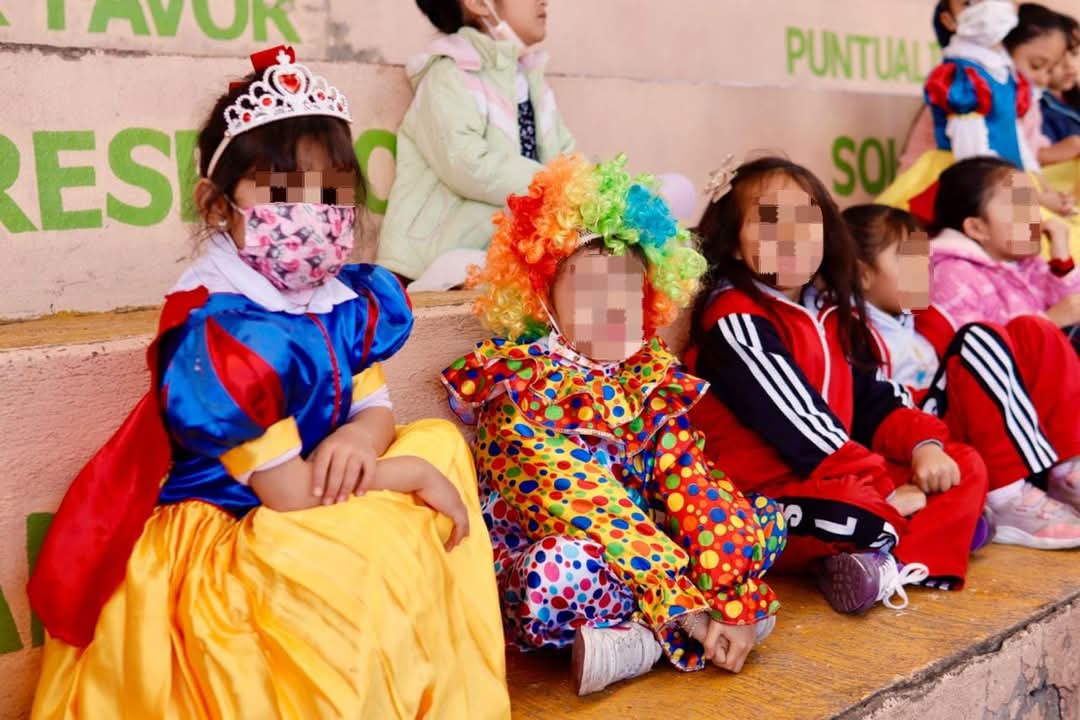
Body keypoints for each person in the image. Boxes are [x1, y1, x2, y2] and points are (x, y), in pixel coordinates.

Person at [27, 46, 511, 720]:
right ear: (218, 206)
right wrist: (405, 475)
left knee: (437, 443)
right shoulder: (221, 332)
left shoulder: (339, 298)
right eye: (283, 191)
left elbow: (375, 407)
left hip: (308, 487)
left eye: (332, 192)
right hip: (243, 520)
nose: (313, 211)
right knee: (379, 537)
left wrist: (359, 439)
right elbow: (286, 494)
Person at [442, 154, 786, 695]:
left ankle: (638, 642)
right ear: (544, 297)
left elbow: (689, 480)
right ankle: (667, 635)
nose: (613, 306)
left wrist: (732, 596)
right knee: (556, 573)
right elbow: (593, 509)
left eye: (627, 287)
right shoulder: (519, 389)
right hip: (582, 555)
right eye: (589, 289)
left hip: (651, 560)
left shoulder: (645, 375)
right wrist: (694, 612)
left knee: (755, 521)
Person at [685, 156, 991, 617]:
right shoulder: (734, 320)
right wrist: (884, 488)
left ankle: (891, 565)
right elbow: (802, 429)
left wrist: (923, 446)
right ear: (734, 245)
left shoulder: (830, 311)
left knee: (962, 461)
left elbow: (873, 399)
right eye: (770, 223)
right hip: (759, 500)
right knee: (854, 507)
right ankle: (925, 534)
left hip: (840, 472)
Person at [846, 203, 1080, 547]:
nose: (923, 271)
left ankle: (1066, 473)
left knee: (1033, 330)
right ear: (862, 275)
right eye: (907, 261)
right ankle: (1008, 496)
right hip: (913, 442)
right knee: (978, 338)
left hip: (947, 427)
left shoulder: (930, 319)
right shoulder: (852, 333)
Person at [376, 0, 575, 291]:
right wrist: (553, 184)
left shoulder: (533, 84)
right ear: (479, 4)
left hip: (507, 255)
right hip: (437, 264)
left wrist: (586, 191)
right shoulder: (450, 74)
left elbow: (567, 160)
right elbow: (466, 163)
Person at [927, 156, 1080, 352]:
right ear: (976, 228)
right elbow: (978, 358)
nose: (1035, 216)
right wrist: (1048, 322)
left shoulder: (1025, 262)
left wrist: (1062, 262)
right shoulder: (952, 276)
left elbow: (1072, 311)